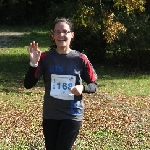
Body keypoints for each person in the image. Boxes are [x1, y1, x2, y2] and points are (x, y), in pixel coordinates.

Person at [24, 17, 98, 150]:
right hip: (50, 114)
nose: (61, 35)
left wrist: (83, 87)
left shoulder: (80, 58)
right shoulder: (46, 58)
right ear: (53, 35)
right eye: (57, 32)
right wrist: (34, 63)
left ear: (72, 35)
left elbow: (94, 85)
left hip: (72, 114)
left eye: (65, 31)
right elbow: (28, 84)